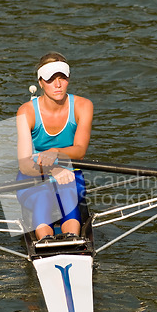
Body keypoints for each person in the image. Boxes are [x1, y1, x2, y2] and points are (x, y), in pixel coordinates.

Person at [16, 52, 93, 240]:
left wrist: (55, 152)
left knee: (68, 190)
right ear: (41, 82)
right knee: (43, 194)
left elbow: (80, 151)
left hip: (70, 172)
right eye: (50, 79)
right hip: (32, 176)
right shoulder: (26, 111)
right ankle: (45, 241)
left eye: (62, 78)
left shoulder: (83, 106)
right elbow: (25, 165)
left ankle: (72, 238)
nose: (58, 85)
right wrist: (52, 170)